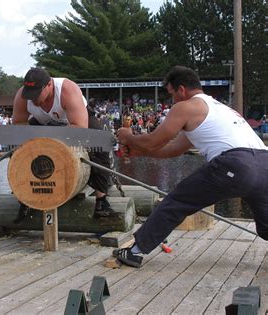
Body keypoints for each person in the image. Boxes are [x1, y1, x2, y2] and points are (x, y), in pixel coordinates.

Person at [113, 65, 268, 268]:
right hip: (264, 164)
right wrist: (139, 151)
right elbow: (174, 149)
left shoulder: (185, 107)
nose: (172, 101)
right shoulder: (218, 109)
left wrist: (128, 137)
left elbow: (151, 141)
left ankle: (134, 251)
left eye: (171, 94)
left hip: (236, 164)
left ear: (182, 89)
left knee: (177, 201)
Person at [12, 67, 119, 218]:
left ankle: (101, 201)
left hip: (75, 121)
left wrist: (55, 130)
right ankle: (25, 198)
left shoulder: (67, 90)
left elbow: (80, 128)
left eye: (36, 94)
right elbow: (17, 125)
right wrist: (32, 138)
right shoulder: (22, 96)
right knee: (19, 148)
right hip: (44, 123)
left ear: (49, 85)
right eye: (30, 95)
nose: (33, 99)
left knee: (99, 143)